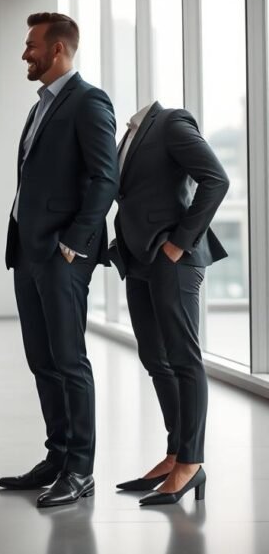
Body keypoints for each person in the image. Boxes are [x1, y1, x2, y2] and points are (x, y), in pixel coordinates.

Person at [0, 12, 118, 508]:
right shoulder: (40, 106)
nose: (25, 53)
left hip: (62, 254)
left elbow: (105, 177)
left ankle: (81, 469)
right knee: (42, 359)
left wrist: (74, 242)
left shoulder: (89, 101)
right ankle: (58, 457)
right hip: (29, 251)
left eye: (32, 45)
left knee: (69, 360)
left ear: (58, 49)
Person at [108, 101, 228, 505]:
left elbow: (216, 179)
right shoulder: (127, 137)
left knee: (182, 358)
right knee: (154, 358)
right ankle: (175, 452)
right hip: (139, 259)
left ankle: (191, 462)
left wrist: (180, 243)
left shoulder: (171, 122)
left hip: (172, 258)